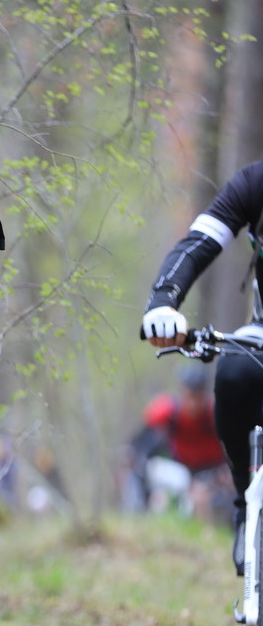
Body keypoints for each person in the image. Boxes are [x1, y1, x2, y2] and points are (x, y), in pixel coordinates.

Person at [141, 160, 263, 573]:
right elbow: (198, 242)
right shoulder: (254, 183)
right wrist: (163, 300)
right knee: (233, 373)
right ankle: (248, 502)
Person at [123, 367, 227, 515]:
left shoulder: (214, 415)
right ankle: (137, 512)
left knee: (202, 499)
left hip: (210, 472)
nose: (193, 402)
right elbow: (140, 442)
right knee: (160, 492)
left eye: (197, 395)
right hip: (178, 469)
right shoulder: (168, 411)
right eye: (190, 395)